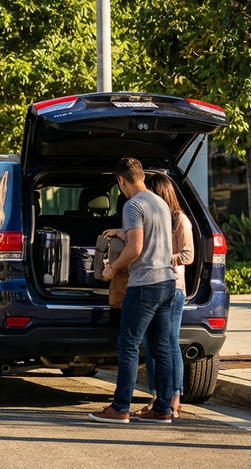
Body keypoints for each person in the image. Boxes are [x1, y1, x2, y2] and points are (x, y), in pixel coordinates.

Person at [90, 158, 177, 425]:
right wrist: (123, 231)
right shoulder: (158, 202)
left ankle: (120, 407)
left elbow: (136, 249)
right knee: (161, 347)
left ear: (121, 181)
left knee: (128, 345)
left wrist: (112, 268)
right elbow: (149, 237)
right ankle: (162, 407)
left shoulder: (132, 205)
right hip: (167, 282)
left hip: (144, 285)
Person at [139, 172, 195, 419]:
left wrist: (161, 258)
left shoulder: (180, 220)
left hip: (174, 287)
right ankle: (157, 397)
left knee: (169, 343)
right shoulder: (157, 220)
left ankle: (174, 399)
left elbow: (188, 255)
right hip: (155, 284)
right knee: (151, 345)